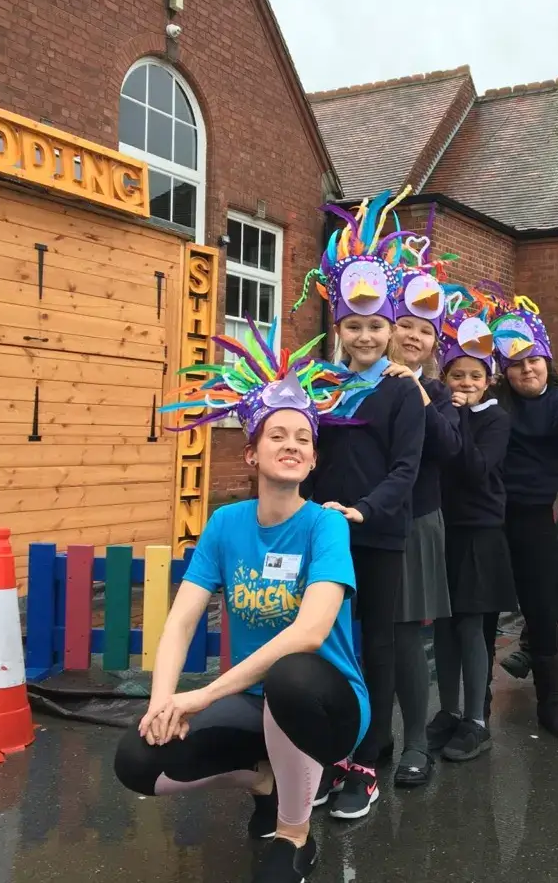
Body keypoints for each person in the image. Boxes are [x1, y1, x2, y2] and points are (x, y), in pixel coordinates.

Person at [113, 320, 368, 883]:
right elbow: (181, 620)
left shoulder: (326, 526)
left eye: (302, 438)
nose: (292, 446)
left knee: (292, 675)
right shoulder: (226, 523)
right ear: (251, 453)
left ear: (314, 459)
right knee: (136, 761)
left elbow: (310, 633)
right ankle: (266, 780)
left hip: (325, 701)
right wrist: (163, 702)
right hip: (253, 699)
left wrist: (201, 696)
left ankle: (295, 835)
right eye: (277, 436)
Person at [294, 189, 425, 819]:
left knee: (375, 646)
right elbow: (303, 454)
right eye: (354, 325)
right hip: (323, 533)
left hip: (375, 534)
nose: (367, 335)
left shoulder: (401, 392)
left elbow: (405, 469)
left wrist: (366, 511)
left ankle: (370, 759)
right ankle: (327, 751)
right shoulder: (320, 386)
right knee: (323, 644)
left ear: (390, 329)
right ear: (339, 329)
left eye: (377, 325)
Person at [488, 293, 558, 740]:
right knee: (485, 612)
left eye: (534, 359)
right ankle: (478, 707)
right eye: (516, 363)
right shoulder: (496, 404)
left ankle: (551, 705)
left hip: (533, 520)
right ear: (504, 371)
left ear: (547, 359)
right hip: (490, 519)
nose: (527, 368)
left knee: (542, 611)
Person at [378, 251, 459, 788]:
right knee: (364, 634)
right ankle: (371, 737)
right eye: (404, 324)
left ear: (435, 342)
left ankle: (413, 744)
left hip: (415, 521)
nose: (412, 336)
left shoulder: (442, 392)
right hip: (361, 520)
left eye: (423, 330)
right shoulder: (358, 381)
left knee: (407, 637)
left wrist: (419, 389)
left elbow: (450, 448)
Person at [426, 307, 516, 762]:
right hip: (446, 529)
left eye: (474, 375)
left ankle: (477, 721)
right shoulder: (440, 410)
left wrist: (458, 418)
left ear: (488, 380)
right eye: (457, 375)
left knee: (471, 627)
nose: (465, 383)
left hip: (480, 533)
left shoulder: (495, 420)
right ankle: (448, 710)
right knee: (442, 625)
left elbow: (475, 468)